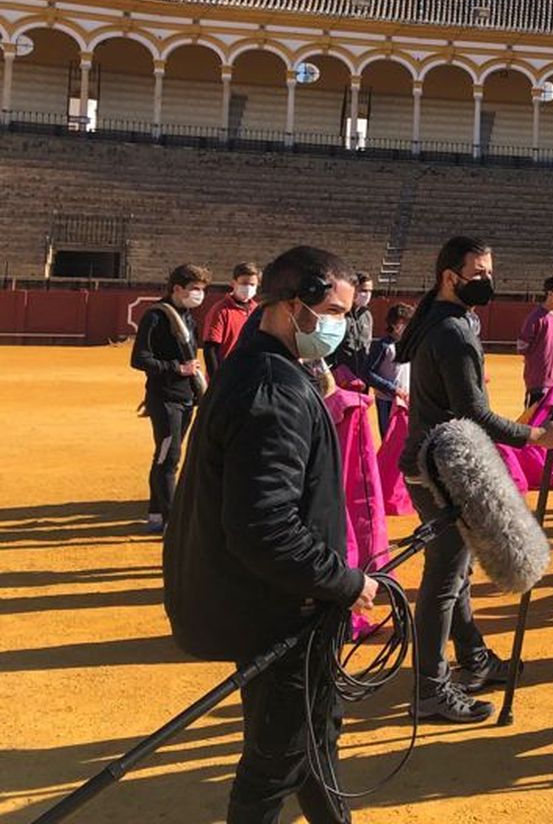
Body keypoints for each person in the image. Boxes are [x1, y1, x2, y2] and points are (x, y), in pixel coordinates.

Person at [164, 245, 378, 824]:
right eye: (333, 310)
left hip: (285, 602)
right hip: (283, 610)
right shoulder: (273, 387)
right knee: (275, 761)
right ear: (290, 305)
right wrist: (345, 581)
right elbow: (264, 525)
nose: (339, 324)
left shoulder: (273, 370)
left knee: (313, 739)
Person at [397, 237, 553, 724]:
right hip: (443, 467)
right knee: (446, 576)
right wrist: (536, 435)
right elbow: (474, 411)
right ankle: (430, 687)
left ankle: (472, 658)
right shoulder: (452, 330)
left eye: (490, 271)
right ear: (449, 276)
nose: (488, 281)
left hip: (434, 460)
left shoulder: (445, 320)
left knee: (457, 569)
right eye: (478, 272)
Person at [132, 262, 210, 534]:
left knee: (166, 456)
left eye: (202, 289)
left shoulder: (187, 316)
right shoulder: (156, 316)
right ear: (177, 288)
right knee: (169, 458)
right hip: (165, 398)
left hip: (186, 397)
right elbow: (139, 358)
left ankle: (156, 514)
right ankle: (172, 522)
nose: (199, 294)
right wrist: (177, 368)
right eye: (194, 289)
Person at [200, 262, 260, 382]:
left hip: (250, 377)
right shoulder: (221, 310)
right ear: (233, 283)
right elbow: (210, 349)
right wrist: (216, 380)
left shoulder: (257, 310)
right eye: (244, 283)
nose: (248, 288)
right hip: (226, 377)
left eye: (252, 284)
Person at [518, 275, 553, 408]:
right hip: (538, 380)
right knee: (534, 421)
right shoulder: (536, 317)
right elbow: (522, 345)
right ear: (550, 293)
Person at [365, 303, 411, 439]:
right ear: (395, 324)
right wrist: (392, 389)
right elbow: (367, 373)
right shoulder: (383, 346)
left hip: (405, 400)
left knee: (404, 438)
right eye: (404, 323)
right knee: (388, 437)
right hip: (387, 401)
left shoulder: (408, 346)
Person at [329, 273, 375, 385]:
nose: (367, 294)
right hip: (341, 377)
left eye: (370, 291)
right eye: (363, 290)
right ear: (353, 290)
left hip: (362, 377)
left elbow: (368, 344)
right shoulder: (340, 314)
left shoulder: (367, 315)